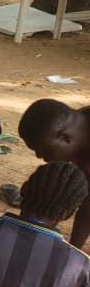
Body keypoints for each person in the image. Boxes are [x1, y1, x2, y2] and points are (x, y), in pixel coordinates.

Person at [18, 99, 90, 250]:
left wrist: (72, 252)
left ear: (65, 138)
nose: (39, 156)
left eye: (44, 150)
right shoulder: (81, 128)